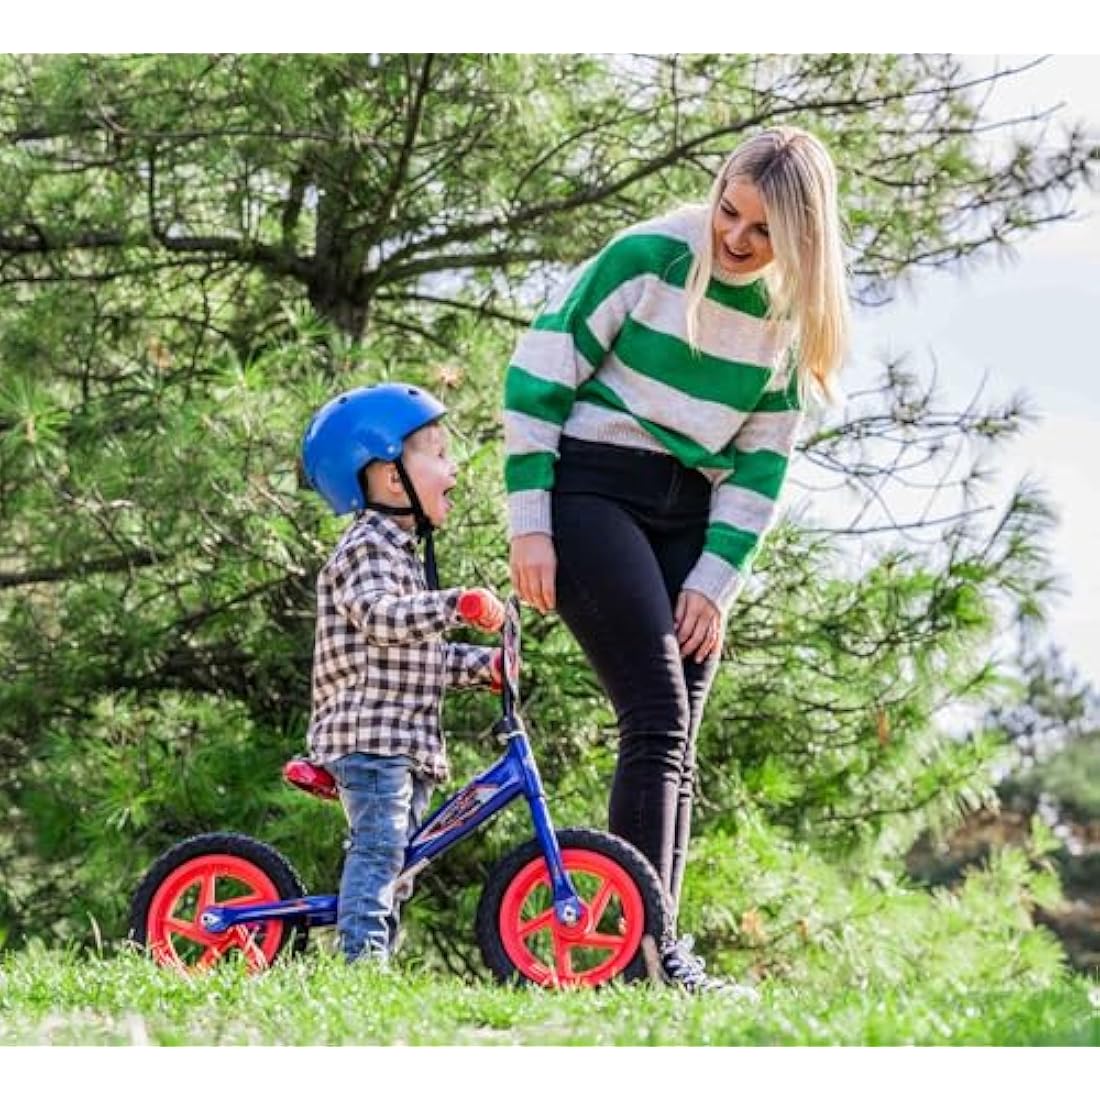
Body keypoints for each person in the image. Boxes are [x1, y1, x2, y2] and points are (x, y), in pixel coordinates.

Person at [503, 126, 850, 991]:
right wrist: (530, 526)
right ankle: (644, 957)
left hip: (689, 515)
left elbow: (763, 464)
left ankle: (658, 958)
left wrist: (714, 584)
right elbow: (537, 375)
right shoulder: (648, 254)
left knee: (677, 740)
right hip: (593, 489)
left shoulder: (788, 318)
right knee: (655, 714)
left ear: (800, 241)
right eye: (728, 210)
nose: (734, 238)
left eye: (761, 231)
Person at [301, 381, 507, 964]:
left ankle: (376, 952)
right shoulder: (365, 548)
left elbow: (414, 660)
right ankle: (362, 963)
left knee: (401, 862)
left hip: (402, 743)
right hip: (370, 739)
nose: (455, 469)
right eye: (439, 454)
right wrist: (455, 605)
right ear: (392, 478)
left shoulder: (402, 556)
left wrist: (482, 665)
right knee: (382, 849)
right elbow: (382, 618)